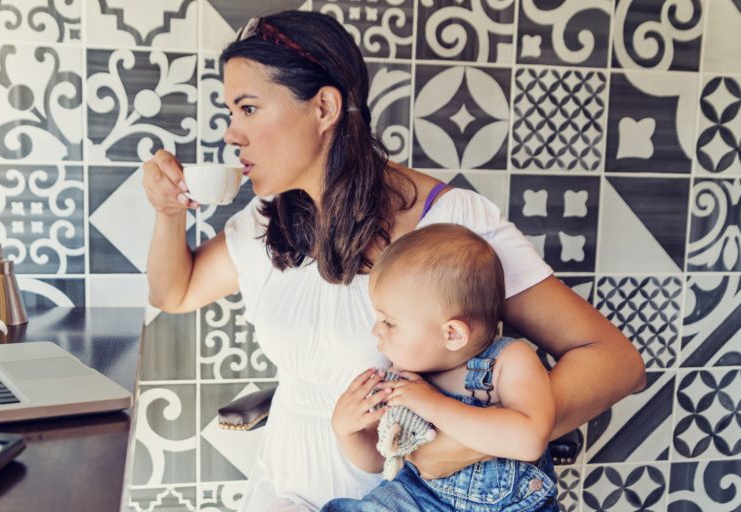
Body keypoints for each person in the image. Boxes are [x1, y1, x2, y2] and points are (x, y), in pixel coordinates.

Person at [141, 10, 645, 511]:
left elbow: (615, 362)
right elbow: (174, 293)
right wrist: (168, 213)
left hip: (401, 497)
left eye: (247, 109)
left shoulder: (450, 223)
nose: (232, 134)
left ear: (323, 108)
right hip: (283, 487)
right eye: (232, 113)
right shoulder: (268, 220)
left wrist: (468, 444)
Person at [325, 223, 558, 511]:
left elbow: (529, 440)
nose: (376, 332)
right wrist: (347, 431)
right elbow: (381, 459)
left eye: (389, 322)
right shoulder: (404, 374)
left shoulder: (508, 361)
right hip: (417, 496)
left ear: (452, 334)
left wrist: (433, 405)